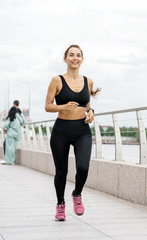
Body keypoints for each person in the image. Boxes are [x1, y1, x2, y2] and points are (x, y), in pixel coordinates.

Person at [45, 44, 101, 221]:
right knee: (61, 172)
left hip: (82, 130)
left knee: (83, 167)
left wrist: (91, 113)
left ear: (82, 59)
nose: (75, 58)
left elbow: (88, 105)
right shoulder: (57, 80)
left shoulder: (88, 81)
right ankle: (60, 204)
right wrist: (63, 106)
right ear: (65, 59)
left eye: (78, 55)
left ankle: (77, 194)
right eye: (71, 55)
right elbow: (47, 106)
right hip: (61, 130)